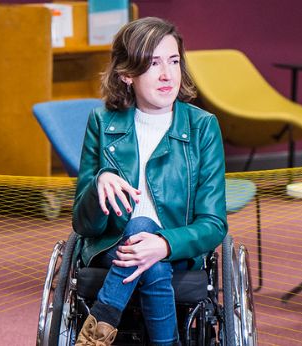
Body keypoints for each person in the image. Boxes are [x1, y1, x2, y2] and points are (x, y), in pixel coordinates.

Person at [71, 17, 227, 346]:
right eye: (153, 64)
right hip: (112, 247)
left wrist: (165, 244)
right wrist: (100, 184)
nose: (167, 74)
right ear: (127, 74)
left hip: (178, 248)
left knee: (147, 240)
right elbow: (84, 226)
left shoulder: (202, 127)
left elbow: (214, 224)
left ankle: (101, 321)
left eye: (173, 61)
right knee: (141, 229)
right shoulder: (102, 122)